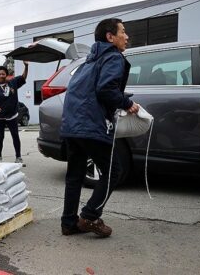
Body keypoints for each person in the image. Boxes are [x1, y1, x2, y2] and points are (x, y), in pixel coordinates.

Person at [60, 18, 139, 237]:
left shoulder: (88, 61)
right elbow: (106, 89)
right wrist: (127, 103)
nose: (127, 36)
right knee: (114, 171)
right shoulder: (113, 57)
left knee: (75, 175)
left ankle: (68, 223)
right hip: (89, 124)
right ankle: (90, 216)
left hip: (72, 124)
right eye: (123, 31)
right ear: (110, 37)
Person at [0, 61, 29, 166]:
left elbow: (23, 77)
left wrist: (26, 66)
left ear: (6, 75)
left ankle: (18, 157)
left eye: (3, 74)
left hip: (12, 116)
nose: (1, 76)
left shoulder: (13, 82)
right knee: (0, 137)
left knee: (15, 136)